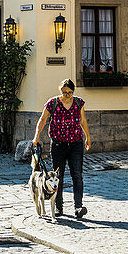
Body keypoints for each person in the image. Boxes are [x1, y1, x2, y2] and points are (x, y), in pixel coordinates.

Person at [32, 78, 91, 219]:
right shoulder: (52, 103)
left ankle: (78, 207)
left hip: (76, 143)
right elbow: (42, 120)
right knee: (59, 177)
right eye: (65, 92)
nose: (67, 95)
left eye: (70, 92)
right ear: (60, 91)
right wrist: (36, 137)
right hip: (58, 144)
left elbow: (82, 120)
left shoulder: (78, 102)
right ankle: (59, 207)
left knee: (77, 175)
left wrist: (88, 137)